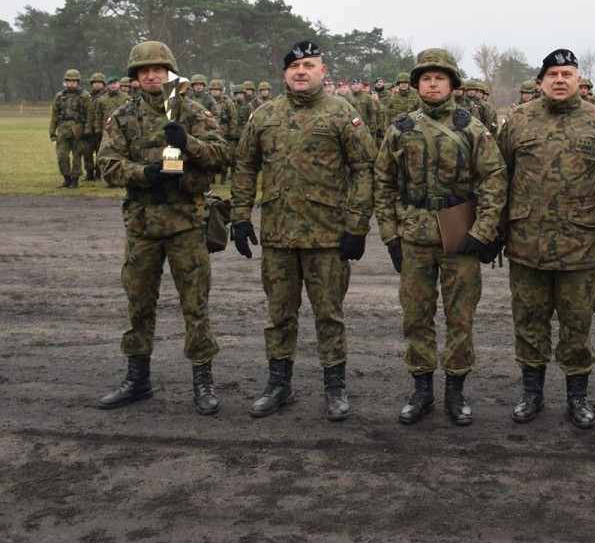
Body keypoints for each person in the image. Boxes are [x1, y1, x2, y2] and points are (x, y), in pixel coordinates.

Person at [230, 41, 377, 421]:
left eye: (309, 65)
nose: (301, 71)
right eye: (294, 66)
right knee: (280, 314)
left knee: (329, 314)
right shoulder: (265, 115)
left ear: (323, 72)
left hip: (328, 237)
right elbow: (245, 166)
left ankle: (335, 388)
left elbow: (365, 168)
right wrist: (240, 217)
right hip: (278, 236)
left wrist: (357, 225)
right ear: (284, 74)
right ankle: (279, 385)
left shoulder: (342, 114)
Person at [374, 48, 508, 426]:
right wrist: (390, 235)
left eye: (440, 78)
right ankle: (421, 391)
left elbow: (495, 179)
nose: (432, 84)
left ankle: (455, 391)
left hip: (460, 238)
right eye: (426, 78)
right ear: (417, 84)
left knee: (460, 318)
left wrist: (482, 231)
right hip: (414, 237)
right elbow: (382, 182)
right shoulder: (400, 128)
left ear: (452, 84)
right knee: (416, 317)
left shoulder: (472, 128)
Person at [96, 42, 230, 414]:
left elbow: (223, 153)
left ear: (171, 74)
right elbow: (107, 164)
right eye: (144, 71)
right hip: (143, 223)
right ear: (135, 78)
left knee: (195, 306)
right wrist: (142, 174)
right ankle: (137, 379)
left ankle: (202, 380)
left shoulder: (191, 110)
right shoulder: (123, 116)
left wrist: (188, 142)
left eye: (158, 70)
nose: (151, 75)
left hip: (186, 222)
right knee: (139, 303)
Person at [497, 49, 595, 429]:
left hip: (580, 247)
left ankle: (578, 398)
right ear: (540, 82)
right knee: (529, 323)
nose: (560, 80)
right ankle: (531, 394)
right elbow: (500, 179)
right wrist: (496, 231)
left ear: (579, 79)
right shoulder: (518, 120)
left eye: (567, 73)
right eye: (552, 74)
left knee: (577, 326)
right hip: (526, 244)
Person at [49, 68, 91, 188]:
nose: (71, 83)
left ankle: (75, 179)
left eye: (74, 81)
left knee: (77, 156)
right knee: (62, 156)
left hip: (78, 128)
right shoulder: (59, 96)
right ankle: (66, 178)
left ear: (78, 82)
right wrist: (52, 131)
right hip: (63, 129)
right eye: (69, 81)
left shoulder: (84, 96)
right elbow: (55, 115)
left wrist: (87, 130)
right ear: (65, 82)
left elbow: (89, 114)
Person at [208, 79, 238, 184]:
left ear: (221, 91)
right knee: (211, 155)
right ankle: (211, 178)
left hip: (224, 133)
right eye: (213, 90)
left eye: (217, 90)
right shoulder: (208, 101)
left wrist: (232, 133)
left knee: (225, 156)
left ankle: (223, 178)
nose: (215, 92)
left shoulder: (227, 102)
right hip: (211, 133)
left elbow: (233, 118)